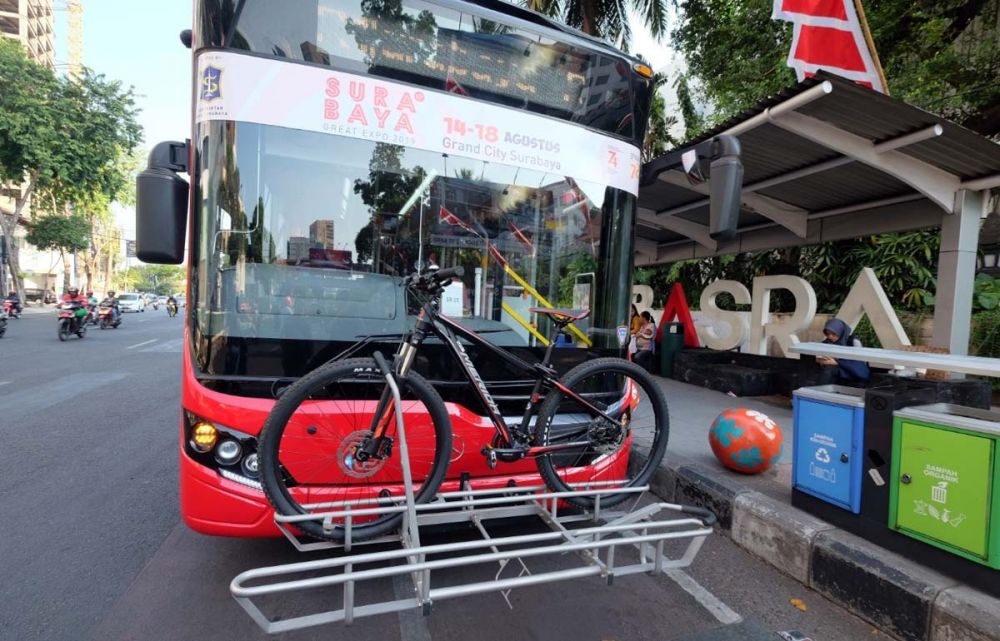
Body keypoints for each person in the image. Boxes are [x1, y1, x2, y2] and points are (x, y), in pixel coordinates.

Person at [817, 318, 870, 384]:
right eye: (827, 334)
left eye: (833, 334)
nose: (830, 337)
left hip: (853, 371)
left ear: (840, 331)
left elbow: (861, 363)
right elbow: (819, 352)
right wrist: (820, 359)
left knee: (829, 369)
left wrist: (837, 362)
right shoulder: (828, 341)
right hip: (837, 369)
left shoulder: (853, 341)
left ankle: (818, 389)